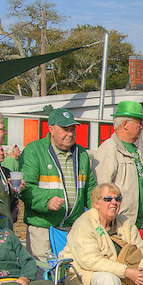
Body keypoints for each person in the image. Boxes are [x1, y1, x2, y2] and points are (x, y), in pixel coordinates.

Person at [19, 108, 96, 259]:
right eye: (65, 129)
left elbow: (90, 188)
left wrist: (97, 213)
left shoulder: (82, 153)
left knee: (71, 275)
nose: (70, 134)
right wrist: (46, 202)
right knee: (44, 274)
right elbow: (26, 186)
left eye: (72, 129)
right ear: (51, 129)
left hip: (73, 228)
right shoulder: (34, 150)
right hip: (43, 228)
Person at [94, 101, 143, 228]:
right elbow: (101, 190)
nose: (142, 127)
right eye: (139, 123)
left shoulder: (135, 151)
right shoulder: (109, 149)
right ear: (125, 124)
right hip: (118, 224)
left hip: (137, 224)